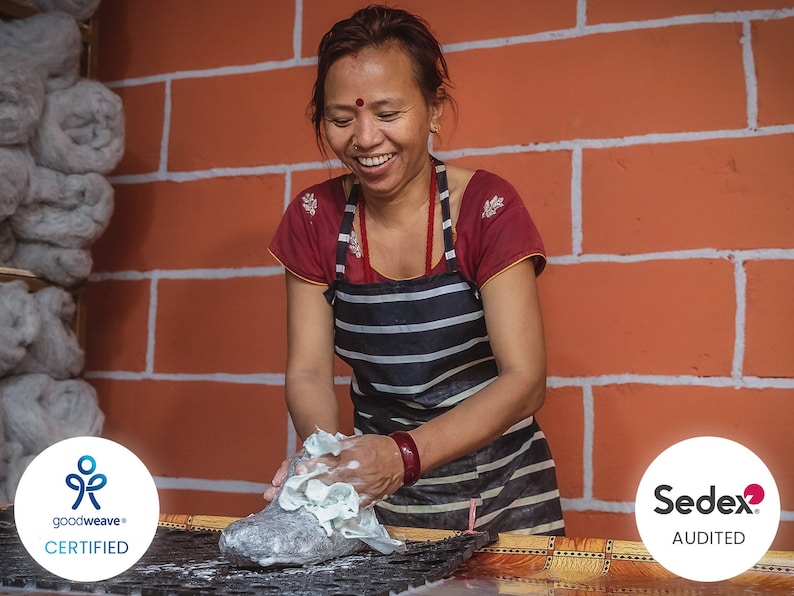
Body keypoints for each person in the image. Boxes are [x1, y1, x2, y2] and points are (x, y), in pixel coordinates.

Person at [266, 5, 565, 536]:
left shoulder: (485, 207)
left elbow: (525, 381)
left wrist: (400, 457)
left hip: (504, 502)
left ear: (433, 110)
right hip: (383, 509)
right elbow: (309, 371)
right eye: (341, 120)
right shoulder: (314, 219)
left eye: (387, 113)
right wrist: (327, 463)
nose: (364, 138)